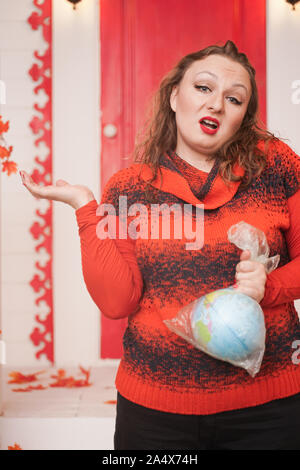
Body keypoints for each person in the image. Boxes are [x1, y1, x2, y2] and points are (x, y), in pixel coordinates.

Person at [20, 40, 300, 450]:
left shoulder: (275, 167)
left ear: (243, 115)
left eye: (234, 98)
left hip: (268, 410)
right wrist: (85, 209)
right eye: (203, 88)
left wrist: (270, 285)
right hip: (155, 414)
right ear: (174, 96)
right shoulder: (129, 187)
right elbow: (117, 302)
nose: (217, 105)